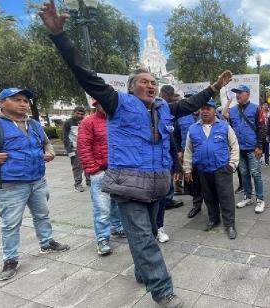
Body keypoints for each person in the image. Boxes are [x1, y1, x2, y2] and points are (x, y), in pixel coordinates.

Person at [39, 2, 232, 306]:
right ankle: (164, 292)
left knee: (149, 236)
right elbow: (84, 75)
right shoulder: (117, 104)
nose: (151, 85)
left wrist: (214, 87)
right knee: (143, 239)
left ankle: (144, 270)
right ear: (131, 88)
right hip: (128, 185)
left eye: (154, 82)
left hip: (158, 184)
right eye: (144, 81)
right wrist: (60, 35)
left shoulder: (165, 109)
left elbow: (193, 103)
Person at [0, 88, 70, 281]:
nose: (23, 104)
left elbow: (46, 144)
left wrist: (51, 152)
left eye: (26, 101)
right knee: (11, 224)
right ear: (2, 103)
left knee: (42, 214)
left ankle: (46, 242)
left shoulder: (34, 124)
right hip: (10, 184)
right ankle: (10, 260)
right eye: (17, 100)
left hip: (37, 180)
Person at [183, 99, 239, 239]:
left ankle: (230, 224)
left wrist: (232, 164)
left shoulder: (225, 126)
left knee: (226, 197)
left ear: (215, 110)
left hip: (221, 169)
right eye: (202, 108)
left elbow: (234, 146)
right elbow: (188, 151)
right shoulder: (193, 128)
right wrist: (187, 169)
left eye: (208, 108)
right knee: (209, 197)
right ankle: (214, 219)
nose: (205, 111)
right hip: (202, 170)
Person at [78, 98, 125, 255]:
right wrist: (94, 169)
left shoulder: (118, 120)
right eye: (102, 103)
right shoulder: (88, 122)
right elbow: (83, 147)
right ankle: (102, 238)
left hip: (119, 170)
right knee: (102, 207)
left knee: (117, 204)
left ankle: (117, 227)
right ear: (96, 105)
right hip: (100, 171)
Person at [228, 85, 267, 214]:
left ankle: (260, 199)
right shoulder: (232, 110)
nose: (237, 95)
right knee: (244, 174)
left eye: (240, 92)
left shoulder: (256, 108)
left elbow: (262, 127)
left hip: (252, 148)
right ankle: (248, 197)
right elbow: (230, 129)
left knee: (256, 174)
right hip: (239, 149)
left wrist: (259, 146)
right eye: (236, 93)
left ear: (248, 94)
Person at [173, 90, 204, 219]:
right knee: (193, 181)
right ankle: (196, 205)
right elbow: (176, 136)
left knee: (210, 182)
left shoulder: (209, 114)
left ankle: (214, 205)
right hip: (189, 155)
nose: (190, 102)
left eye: (192, 99)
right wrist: (179, 151)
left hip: (207, 156)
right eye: (187, 100)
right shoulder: (180, 118)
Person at [63, 106, 90, 192]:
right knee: (77, 168)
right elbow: (65, 138)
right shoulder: (68, 123)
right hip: (74, 149)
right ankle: (77, 185)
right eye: (78, 113)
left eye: (82, 114)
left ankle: (89, 182)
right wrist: (69, 151)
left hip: (86, 148)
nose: (79, 115)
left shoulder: (85, 122)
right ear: (74, 112)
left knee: (88, 166)